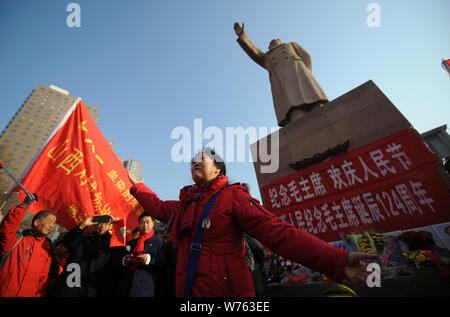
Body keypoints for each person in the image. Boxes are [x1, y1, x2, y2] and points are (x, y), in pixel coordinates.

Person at [128, 148, 377, 297]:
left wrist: (336, 260)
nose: (195, 160)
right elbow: (158, 207)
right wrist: (136, 185)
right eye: (192, 159)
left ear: (218, 171)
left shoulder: (234, 197)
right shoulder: (185, 203)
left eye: (203, 158)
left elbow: (279, 234)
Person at [234, 22, 329, 127]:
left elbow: (306, 56)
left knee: (316, 104)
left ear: (281, 42)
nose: (273, 40)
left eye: (276, 39)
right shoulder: (266, 57)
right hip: (282, 83)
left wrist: (306, 74)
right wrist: (243, 36)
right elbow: (254, 51)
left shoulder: (291, 45)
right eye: (270, 42)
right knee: (295, 111)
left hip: (299, 75)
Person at [0, 193, 57, 297]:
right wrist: (23, 206)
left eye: (53, 223)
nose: (52, 226)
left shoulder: (46, 250)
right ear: (36, 222)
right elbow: (8, 228)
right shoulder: (17, 240)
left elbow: (43, 280)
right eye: (50, 222)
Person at [54, 215, 120, 297]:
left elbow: (122, 252)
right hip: (74, 284)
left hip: (96, 288)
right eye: (99, 223)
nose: (102, 226)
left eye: (106, 224)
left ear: (110, 226)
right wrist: (83, 224)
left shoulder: (113, 244)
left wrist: (119, 225)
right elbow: (67, 241)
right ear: (95, 224)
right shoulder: (83, 238)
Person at [117, 214, 165, 297]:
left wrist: (148, 259)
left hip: (147, 286)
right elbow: (119, 260)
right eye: (142, 222)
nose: (145, 225)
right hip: (128, 285)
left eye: (147, 222)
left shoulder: (159, 242)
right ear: (138, 224)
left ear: (153, 223)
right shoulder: (132, 242)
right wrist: (125, 260)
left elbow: (164, 261)